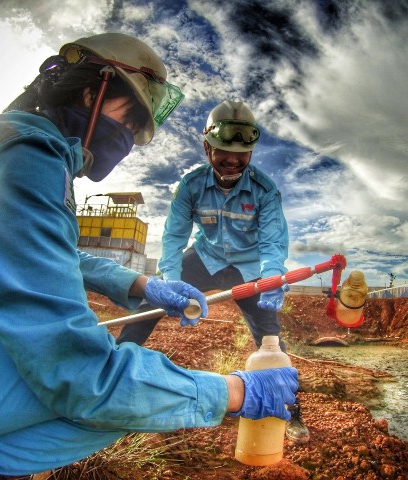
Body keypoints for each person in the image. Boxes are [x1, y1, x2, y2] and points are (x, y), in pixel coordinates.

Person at [0, 33, 298, 479]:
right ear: (92, 91)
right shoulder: (29, 156)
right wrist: (233, 392)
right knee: (119, 398)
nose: (137, 137)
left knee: (142, 375)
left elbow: (42, 250)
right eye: (134, 118)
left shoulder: (18, 145)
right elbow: (78, 370)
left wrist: (141, 284)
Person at [116, 100, 310, 444]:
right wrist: (170, 279)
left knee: (268, 334)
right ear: (208, 147)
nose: (233, 159)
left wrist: (272, 277)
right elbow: (174, 236)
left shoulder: (265, 191)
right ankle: (112, 377)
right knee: (149, 305)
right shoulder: (191, 186)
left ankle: (289, 409)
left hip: (250, 266)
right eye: (224, 151)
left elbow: (272, 241)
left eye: (243, 153)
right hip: (205, 258)